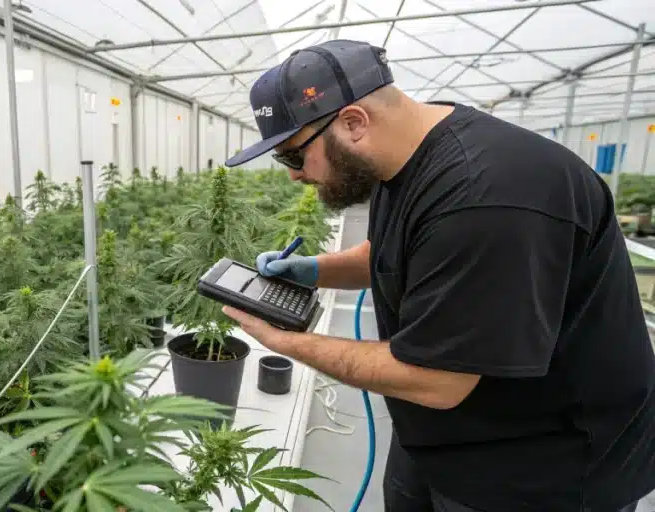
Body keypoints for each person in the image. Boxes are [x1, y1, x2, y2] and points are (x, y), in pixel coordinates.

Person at [221, 39, 655, 512]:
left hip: (543, 467)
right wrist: (313, 271)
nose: (293, 176)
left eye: (292, 156)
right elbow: (403, 251)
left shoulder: (487, 196)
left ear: (353, 122)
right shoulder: (404, 160)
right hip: (445, 435)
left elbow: (437, 380)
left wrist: (287, 342)